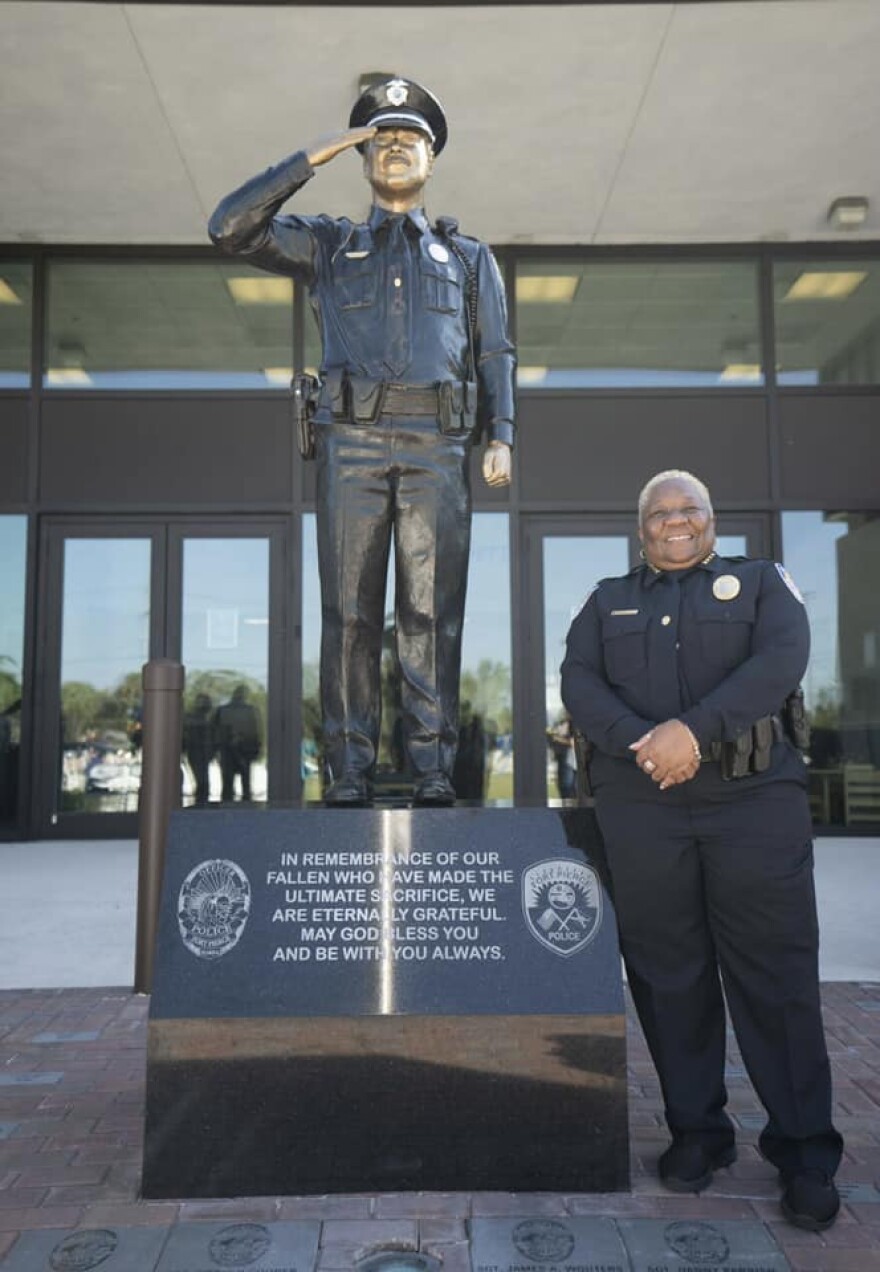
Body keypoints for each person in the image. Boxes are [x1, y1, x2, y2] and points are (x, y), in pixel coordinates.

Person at [209, 78, 516, 807]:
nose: (397, 148)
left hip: (439, 445)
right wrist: (308, 159)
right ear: (361, 156)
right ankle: (349, 770)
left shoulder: (468, 258)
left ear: (433, 160)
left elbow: (495, 352)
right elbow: (229, 228)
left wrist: (500, 433)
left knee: (429, 615)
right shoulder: (329, 244)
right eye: (382, 139)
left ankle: (432, 767)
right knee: (348, 615)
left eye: (412, 139)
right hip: (350, 444)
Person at [560, 469, 843, 1232]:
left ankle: (805, 1153)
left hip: (752, 802)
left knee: (774, 972)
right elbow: (578, 681)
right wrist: (645, 743)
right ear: (641, 528)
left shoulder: (762, 584)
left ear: (712, 521)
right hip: (643, 805)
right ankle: (697, 1133)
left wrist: (693, 731)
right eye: (660, 512)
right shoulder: (605, 601)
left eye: (690, 509)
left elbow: (781, 660)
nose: (675, 520)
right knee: (667, 973)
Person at [213, 685, 261, 803]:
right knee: (243, 782)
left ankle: (229, 805)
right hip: (238, 749)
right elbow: (256, 731)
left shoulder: (223, 710)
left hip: (234, 749)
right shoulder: (250, 710)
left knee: (230, 783)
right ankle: (244, 804)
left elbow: (215, 730)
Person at [183, 692, 216, 806]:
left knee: (203, 782)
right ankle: (200, 803)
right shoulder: (194, 720)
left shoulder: (207, 720)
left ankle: (201, 802)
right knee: (202, 782)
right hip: (196, 752)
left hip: (202, 753)